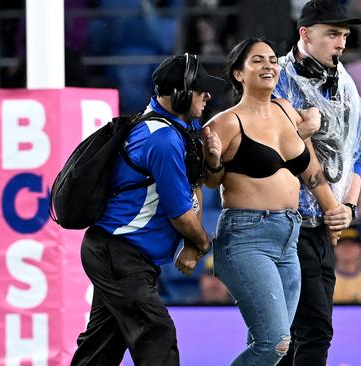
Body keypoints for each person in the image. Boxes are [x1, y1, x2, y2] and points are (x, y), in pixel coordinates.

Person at [70, 54, 222, 366]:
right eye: (200, 90)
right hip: (120, 254)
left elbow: (194, 187)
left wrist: (210, 159)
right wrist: (201, 243)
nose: (207, 96)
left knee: (101, 347)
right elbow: (181, 214)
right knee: (157, 334)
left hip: (116, 252)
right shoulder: (163, 139)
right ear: (178, 95)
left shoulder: (172, 129)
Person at [202, 38, 339, 366]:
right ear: (239, 74)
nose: (269, 66)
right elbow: (210, 182)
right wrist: (213, 161)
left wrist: (332, 207)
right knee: (274, 343)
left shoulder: (284, 110)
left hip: (289, 237)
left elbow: (309, 168)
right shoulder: (225, 122)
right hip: (247, 236)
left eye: (272, 60)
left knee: (278, 343)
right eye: (257, 61)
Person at [272, 1, 361, 364]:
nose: (341, 43)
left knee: (301, 333)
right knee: (307, 330)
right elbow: (288, 147)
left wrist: (347, 208)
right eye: (332, 34)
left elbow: (354, 154)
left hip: (324, 226)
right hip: (284, 221)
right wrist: (332, 206)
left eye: (344, 35)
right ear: (305, 34)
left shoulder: (346, 82)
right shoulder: (276, 76)